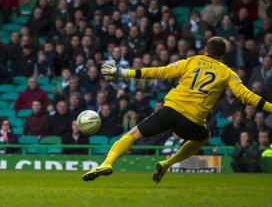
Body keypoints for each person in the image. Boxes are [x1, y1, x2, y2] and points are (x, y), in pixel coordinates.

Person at [83, 37, 272, 183]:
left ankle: (106, 163)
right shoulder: (227, 73)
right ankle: (168, 163)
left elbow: (159, 72)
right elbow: (247, 96)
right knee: (204, 136)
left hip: (170, 110)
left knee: (132, 135)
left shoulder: (190, 61)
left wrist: (123, 73)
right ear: (222, 55)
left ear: (205, 49)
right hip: (192, 120)